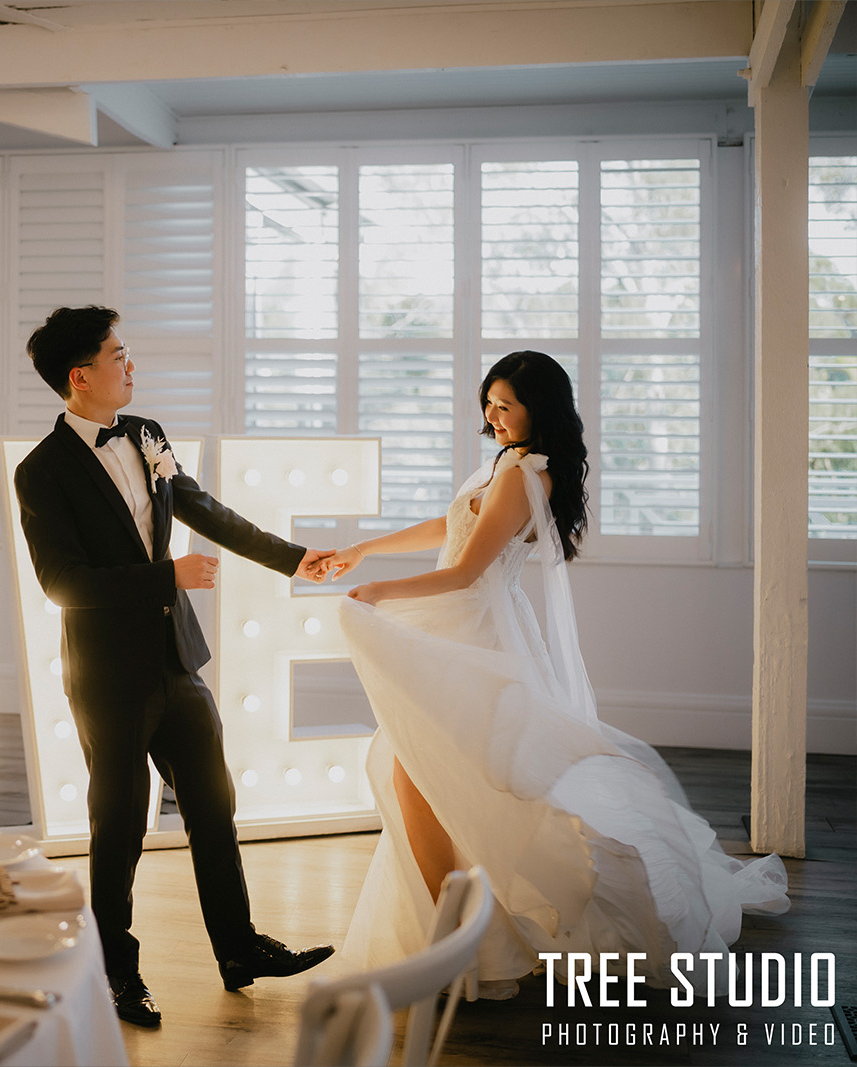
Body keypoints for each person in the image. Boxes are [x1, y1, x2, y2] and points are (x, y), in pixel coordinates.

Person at [319, 350, 788, 994]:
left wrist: (377, 591)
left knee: (436, 780)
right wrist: (361, 548)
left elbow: (464, 571)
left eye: (505, 405)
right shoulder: (505, 465)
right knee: (424, 778)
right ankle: (459, 937)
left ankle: (455, 941)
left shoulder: (523, 473)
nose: (492, 415)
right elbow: (451, 526)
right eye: (488, 402)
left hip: (476, 639)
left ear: (539, 410)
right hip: (463, 633)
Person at [13, 306, 335, 1028]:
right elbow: (62, 583)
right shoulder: (40, 471)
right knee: (120, 825)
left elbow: (205, 510)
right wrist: (168, 577)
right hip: (109, 677)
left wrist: (295, 559)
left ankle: (239, 948)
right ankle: (116, 974)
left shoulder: (147, 434)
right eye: (120, 355)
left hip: (177, 662)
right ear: (80, 375)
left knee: (213, 807)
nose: (133, 366)